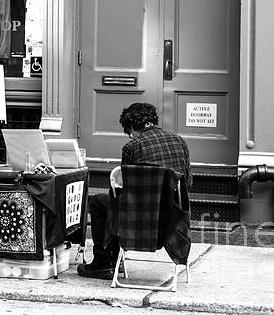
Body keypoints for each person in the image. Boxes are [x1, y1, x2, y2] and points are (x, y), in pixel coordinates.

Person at [77, 102, 192, 279]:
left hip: (141, 221)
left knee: (100, 202)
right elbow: (187, 183)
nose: (130, 136)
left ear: (132, 127)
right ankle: (112, 262)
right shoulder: (179, 141)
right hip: (173, 217)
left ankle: (104, 261)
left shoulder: (132, 147)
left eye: (129, 132)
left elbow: (124, 189)